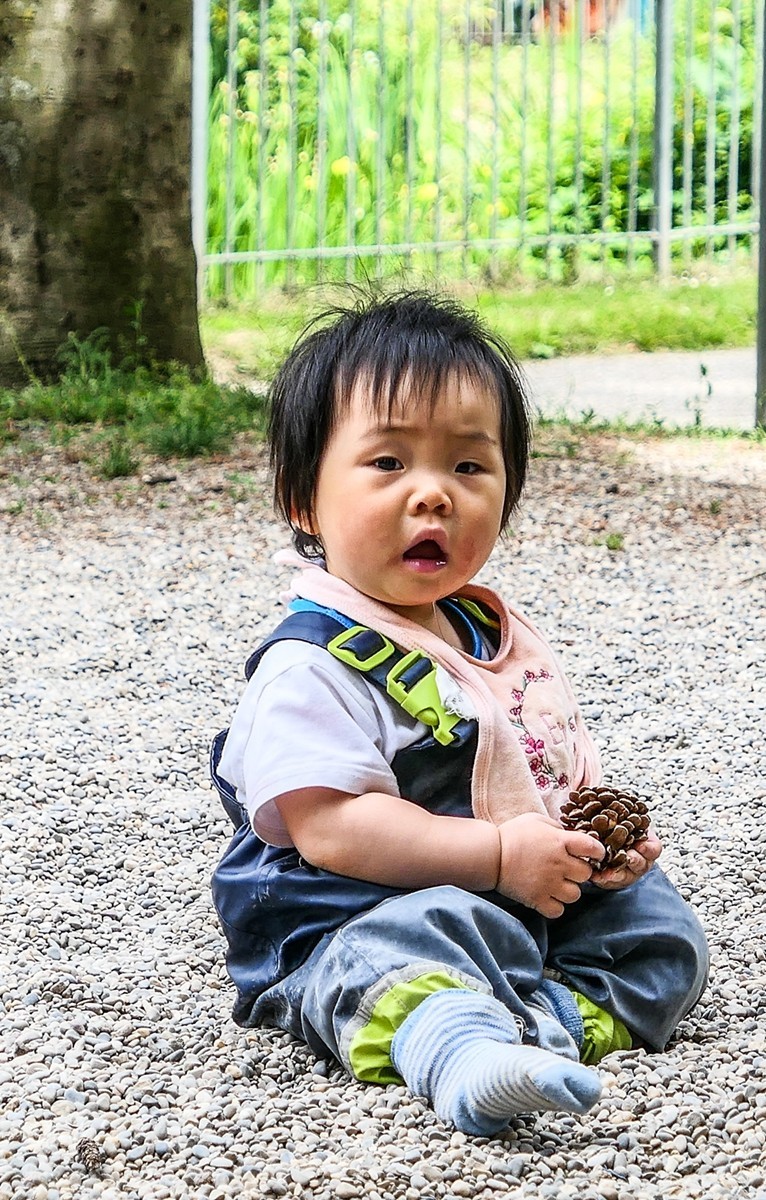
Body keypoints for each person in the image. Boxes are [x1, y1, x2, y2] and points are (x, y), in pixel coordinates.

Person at [211, 290, 708, 1137]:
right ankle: (458, 1052)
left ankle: (544, 1027)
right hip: (355, 905)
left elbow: (545, 763)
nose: (433, 494)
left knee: (663, 933)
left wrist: (584, 850)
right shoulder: (314, 663)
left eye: (468, 468)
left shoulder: (489, 634)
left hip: (511, 884)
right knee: (408, 945)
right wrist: (500, 854)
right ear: (303, 499)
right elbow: (330, 828)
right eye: (388, 463)